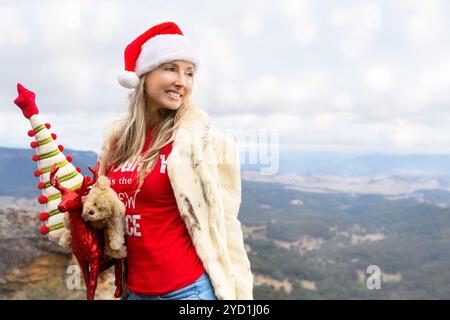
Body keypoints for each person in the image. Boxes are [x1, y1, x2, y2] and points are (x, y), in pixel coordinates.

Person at [96, 21, 253, 300]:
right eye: (171, 68)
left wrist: (239, 294)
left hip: (189, 293)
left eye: (189, 73)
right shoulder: (116, 144)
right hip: (134, 292)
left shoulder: (203, 142)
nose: (182, 81)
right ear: (144, 76)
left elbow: (226, 224)